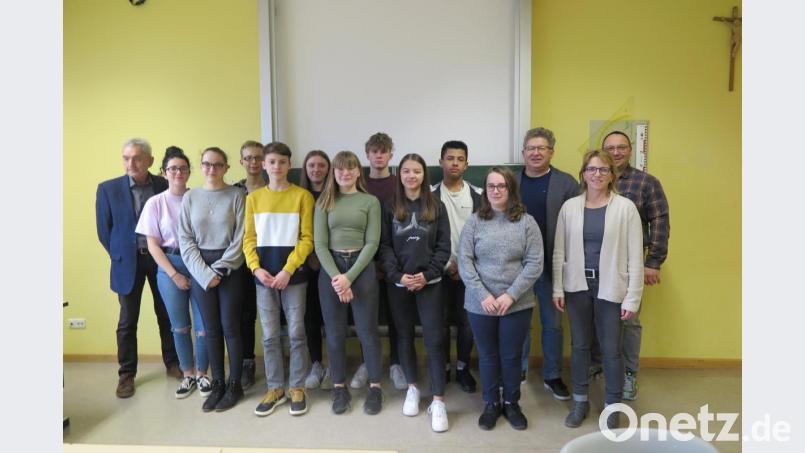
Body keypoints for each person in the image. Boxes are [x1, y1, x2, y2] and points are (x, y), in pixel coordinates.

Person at [552, 150, 643, 429]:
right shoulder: (570, 207)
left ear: (612, 175)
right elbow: (559, 251)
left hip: (611, 287)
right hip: (578, 285)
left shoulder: (625, 208)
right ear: (583, 174)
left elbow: (635, 255)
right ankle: (580, 401)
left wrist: (633, 297)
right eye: (591, 169)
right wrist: (558, 288)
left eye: (603, 169)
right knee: (579, 346)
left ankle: (612, 407)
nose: (597, 174)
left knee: (610, 349)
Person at [458, 166, 543, 431]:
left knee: (511, 355)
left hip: (516, 303)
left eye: (501, 186)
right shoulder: (474, 222)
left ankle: (512, 403)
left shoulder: (527, 222)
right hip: (479, 303)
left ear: (510, 190)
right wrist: (483, 295)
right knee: (487, 355)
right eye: (491, 186)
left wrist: (511, 295)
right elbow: (465, 262)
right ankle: (491, 403)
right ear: (486, 190)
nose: (496, 190)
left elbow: (534, 263)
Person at [95, 137, 181, 399]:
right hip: (127, 262)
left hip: (160, 259)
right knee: (127, 321)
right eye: (126, 158)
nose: (130, 163)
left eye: (137, 158)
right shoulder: (108, 189)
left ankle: (173, 363)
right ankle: (126, 374)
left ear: (150, 161)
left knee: (167, 314)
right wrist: (122, 255)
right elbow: (104, 231)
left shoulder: (163, 184)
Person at [590, 131, 670, 401]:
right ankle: (599, 367)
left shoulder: (646, 182)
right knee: (596, 319)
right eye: (609, 148)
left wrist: (653, 262)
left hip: (630, 266)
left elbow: (659, 220)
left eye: (621, 147)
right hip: (594, 265)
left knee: (629, 320)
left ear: (631, 149)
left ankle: (629, 375)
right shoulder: (593, 179)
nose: (615, 152)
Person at [379, 153, 452, 432]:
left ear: (424, 175)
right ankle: (412, 387)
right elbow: (384, 246)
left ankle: (438, 399)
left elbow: (444, 246)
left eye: (417, 171)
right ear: (400, 175)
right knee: (404, 336)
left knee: (434, 340)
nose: (411, 176)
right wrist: (399, 276)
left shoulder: (436, 206)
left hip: (430, 285)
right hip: (399, 285)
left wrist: (427, 275)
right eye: (406, 171)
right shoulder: (390, 206)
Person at [243, 142, 315, 417]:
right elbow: (249, 240)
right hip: (264, 278)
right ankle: (275, 387)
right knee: (270, 336)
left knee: (296, 333)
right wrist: (256, 269)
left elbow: (307, 238)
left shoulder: (302, 197)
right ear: (263, 165)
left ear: (289, 165)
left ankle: (297, 386)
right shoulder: (253, 199)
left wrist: (288, 269)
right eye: (271, 162)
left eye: (282, 162)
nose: (276, 167)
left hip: (293, 278)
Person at [135, 146, 211, 399]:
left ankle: (202, 374)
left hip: (199, 263)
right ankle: (187, 374)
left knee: (204, 326)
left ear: (190, 172)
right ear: (164, 172)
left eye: (183, 168)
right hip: (170, 264)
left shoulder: (199, 197)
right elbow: (152, 244)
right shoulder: (155, 203)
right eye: (173, 168)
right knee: (179, 326)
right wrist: (174, 275)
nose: (178, 172)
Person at [314, 150, 384, 415]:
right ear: (334, 172)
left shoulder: (370, 202)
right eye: (340, 169)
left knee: (368, 332)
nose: (345, 173)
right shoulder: (324, 201)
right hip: (331, 269)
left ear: (358, 172)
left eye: (350, 168)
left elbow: (372, 242)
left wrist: (349, 278)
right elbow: (320, 246)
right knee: (334, 334)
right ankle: (339, 388)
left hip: (361, 268)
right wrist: (337, 279)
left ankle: (375, 387)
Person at [179, 147, 246, 412]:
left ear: (226, 168)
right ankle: (217, 382)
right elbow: (185, 239)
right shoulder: (190, 197)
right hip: (199, 269)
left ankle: (235, 384)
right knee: (211, 328)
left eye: (218, 165)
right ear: (201, 166)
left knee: (231, 326)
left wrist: (220, 270)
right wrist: (205, 274)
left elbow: (241, 237)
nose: (212, 169)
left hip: (230, 268)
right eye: (207, 164)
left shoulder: (237, 195)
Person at [515, 127, 578, 400]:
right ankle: (517, 371)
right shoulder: (511, 181)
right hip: (517, 267)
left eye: (542, 148)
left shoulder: (566, 183)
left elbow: (577, 225)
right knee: (519, 322)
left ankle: (552, 375)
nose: (536, 153)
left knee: (552, 324)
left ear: (551, 152)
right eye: (531, 148)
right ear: (523, 152)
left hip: (553, 265)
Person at [350, 132, 407, 391]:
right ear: (367, 154)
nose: (379, 155)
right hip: (364, 261)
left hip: (396, 260)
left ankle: (396, 363)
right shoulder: (358, 184)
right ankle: (366, 363)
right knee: (366, 316)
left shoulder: (400, 183)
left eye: (384, 151)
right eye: (374, 151)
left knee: (397, 316)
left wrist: (390, 264)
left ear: (391, 155)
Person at [431, 140, 481, 393]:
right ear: (441, 162)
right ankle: (443, 367)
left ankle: (462, 367)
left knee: (467, 324)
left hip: (469, 273)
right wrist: (445, 264)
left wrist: (464, 266)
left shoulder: (479, 196)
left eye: (460, 159)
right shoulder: (428, 196)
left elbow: (483, 236)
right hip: (438, 271)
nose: (455, 163)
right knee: (438, 324)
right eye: (450, 158)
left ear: (466, 164)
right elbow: (426, 239)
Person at [299, 150, 334, 390]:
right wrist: (310, 257)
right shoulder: (299, 194)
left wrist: (325, 259)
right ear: (305, 168)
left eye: (322, 165)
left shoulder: (336, 195)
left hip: (333, 265)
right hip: (306, 264)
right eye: (311, 165)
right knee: (310, 317)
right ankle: (316, 363)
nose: (316, 170)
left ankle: (334, 363)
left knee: (334, 318)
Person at [233, 140, 267, 390]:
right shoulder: (233, 191)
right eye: (249, 158)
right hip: (242, 260)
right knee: (245, 314)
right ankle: (247, 362)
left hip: (272, 259)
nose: (253, 162)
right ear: (241, 161)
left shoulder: (275, 187)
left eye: (258, 157)